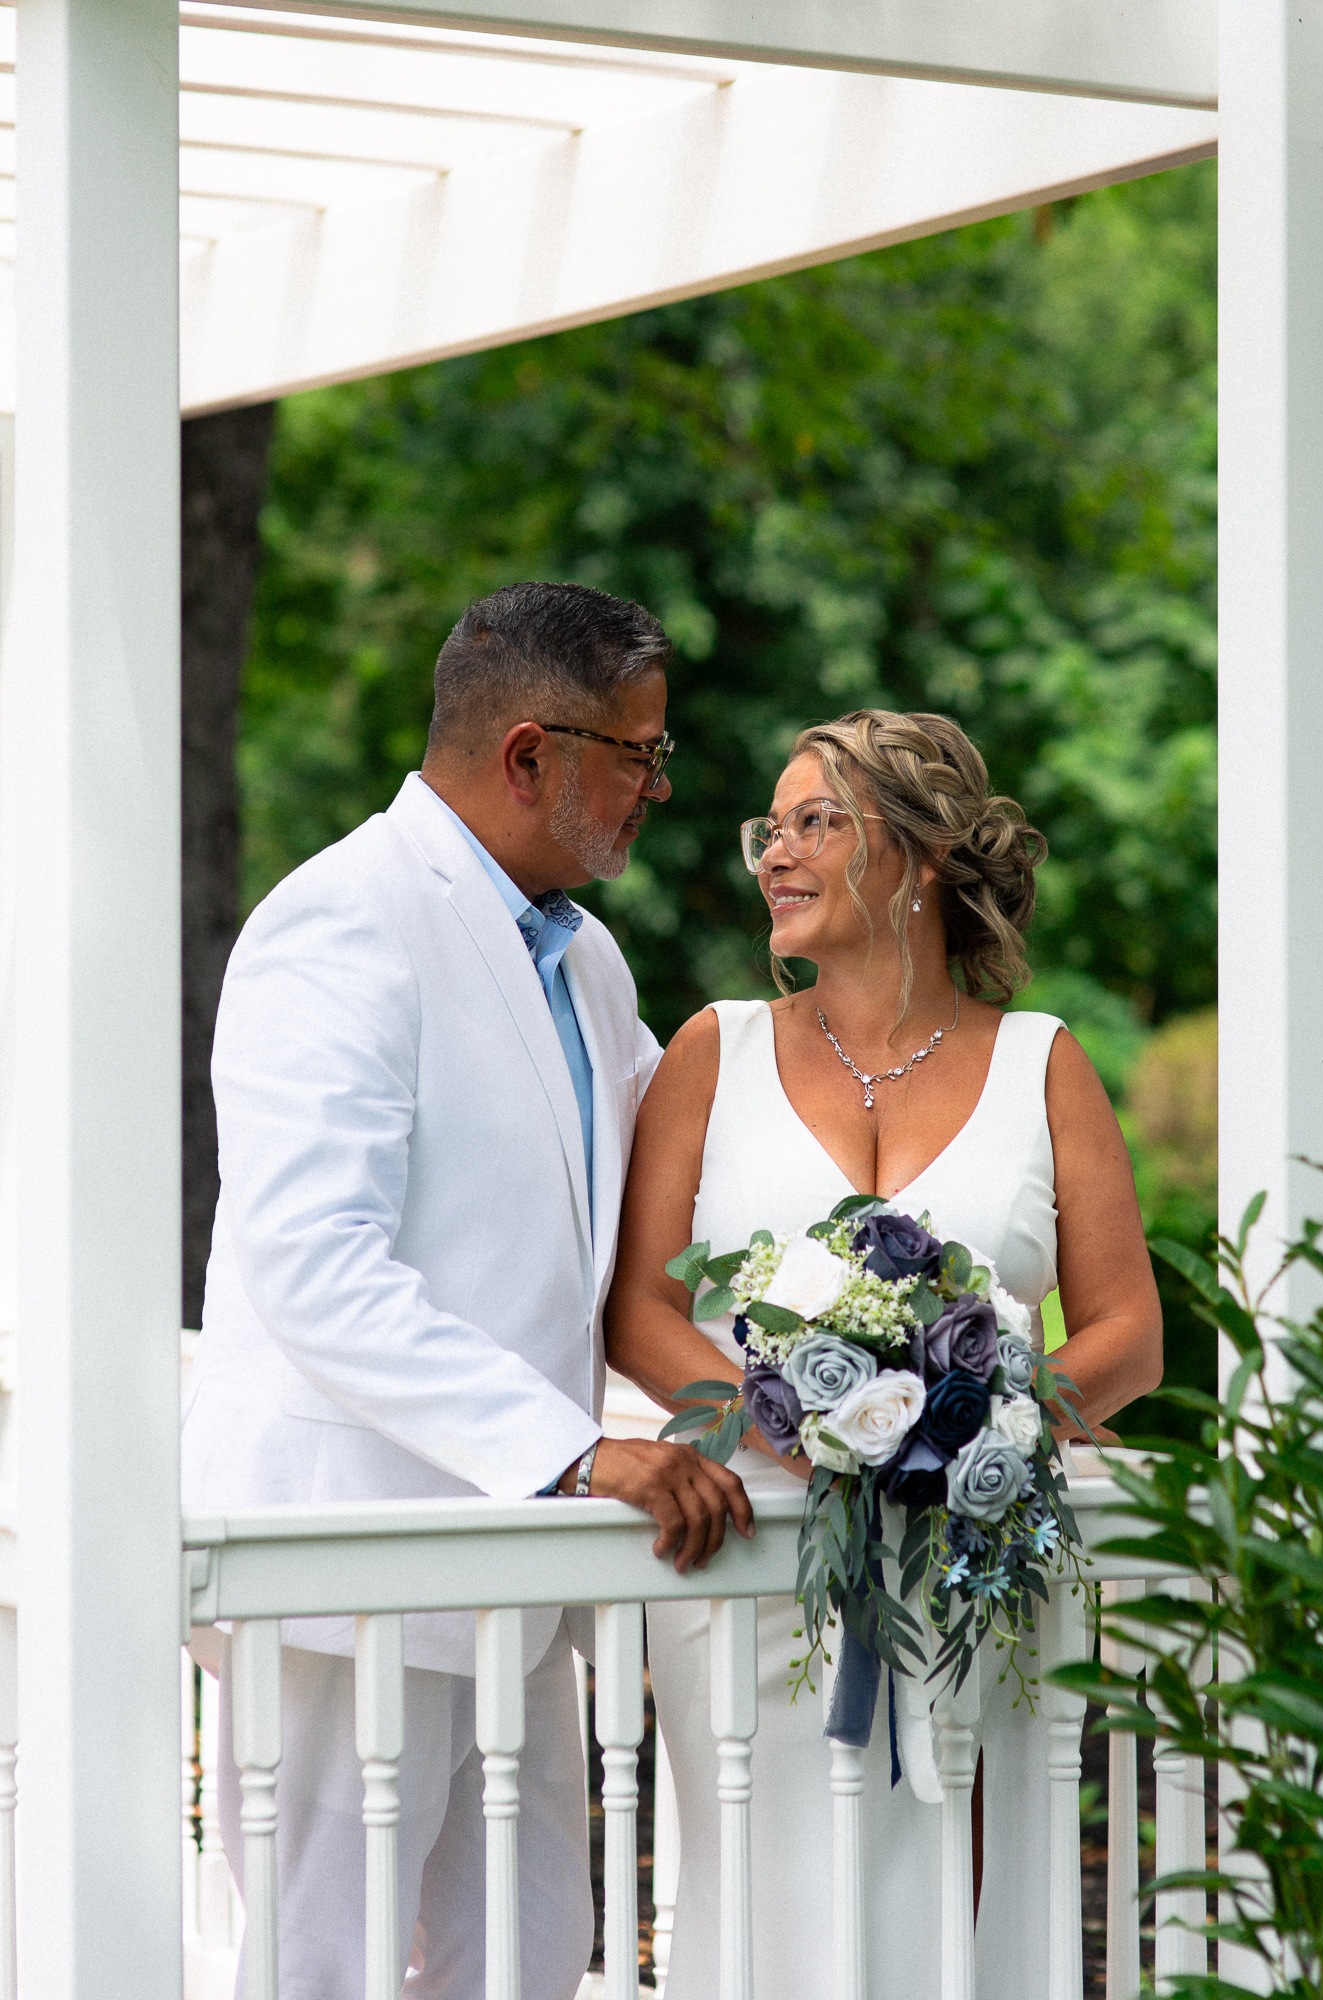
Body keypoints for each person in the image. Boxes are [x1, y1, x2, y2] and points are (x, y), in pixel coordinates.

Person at [181, 581, 752, 2000]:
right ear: (529, 754)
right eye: (640, 755)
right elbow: (317, 1264)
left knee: (531, 1953)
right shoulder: (341, 921)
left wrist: (880, 1377)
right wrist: (571, 1451)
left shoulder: (591, 960)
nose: (659, 791)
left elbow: (657, 1234)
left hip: (508, 1572)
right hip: (345, 1564)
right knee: (329, 1964)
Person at [606, 707, 1162, 1997]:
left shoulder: (1045, 1065)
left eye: (815, 822)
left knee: (969, 1914)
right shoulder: (714, 1048)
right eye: (770, 825)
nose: (772, 854)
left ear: (913, 860)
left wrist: (979, 1426)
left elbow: (1128, 1329)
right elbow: (638, 1306)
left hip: (983, 1557)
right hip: (756, 1552)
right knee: (763, 1904)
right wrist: (778, 1420)